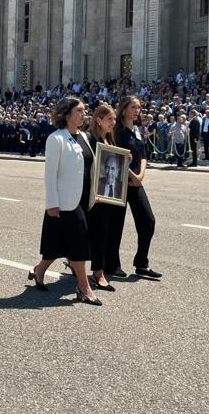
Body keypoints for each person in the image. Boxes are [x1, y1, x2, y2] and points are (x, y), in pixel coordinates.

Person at [28, 96, 101, 306]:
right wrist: (52, 202)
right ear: (67, 114)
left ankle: (39, 271)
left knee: (56, 244)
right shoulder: (56, 138)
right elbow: (50, 174)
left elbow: (89, 167)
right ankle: (84, 287)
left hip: (83, 199)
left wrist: (93, 192)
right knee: (79, 243)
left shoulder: (84, 137)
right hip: (65, 202)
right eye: (79, 110)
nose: (84, 114)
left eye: (85, 110)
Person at [107, 96, 162, 280]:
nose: (137, 110)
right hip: (119, 182)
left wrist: (141, 175)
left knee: (148, 221)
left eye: (139, 107)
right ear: (123, 110)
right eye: (133, 107)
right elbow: (115, 156)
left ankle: (141, 263)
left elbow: (143, 155)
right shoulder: (117, 131)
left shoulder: (138, 129)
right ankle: (112, 265)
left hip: (136, 182)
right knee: (115, 225)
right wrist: (132, 175)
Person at [87, 103, 119, 292]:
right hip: (95, 195)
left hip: (108, 195)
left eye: (114, 119)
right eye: (110, 119)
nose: (113, 123)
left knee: (103, 233)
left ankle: (93, 268)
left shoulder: (109, 139)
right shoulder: (91, 139)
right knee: (97, 234)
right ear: (99, 120)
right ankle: (98, 273)